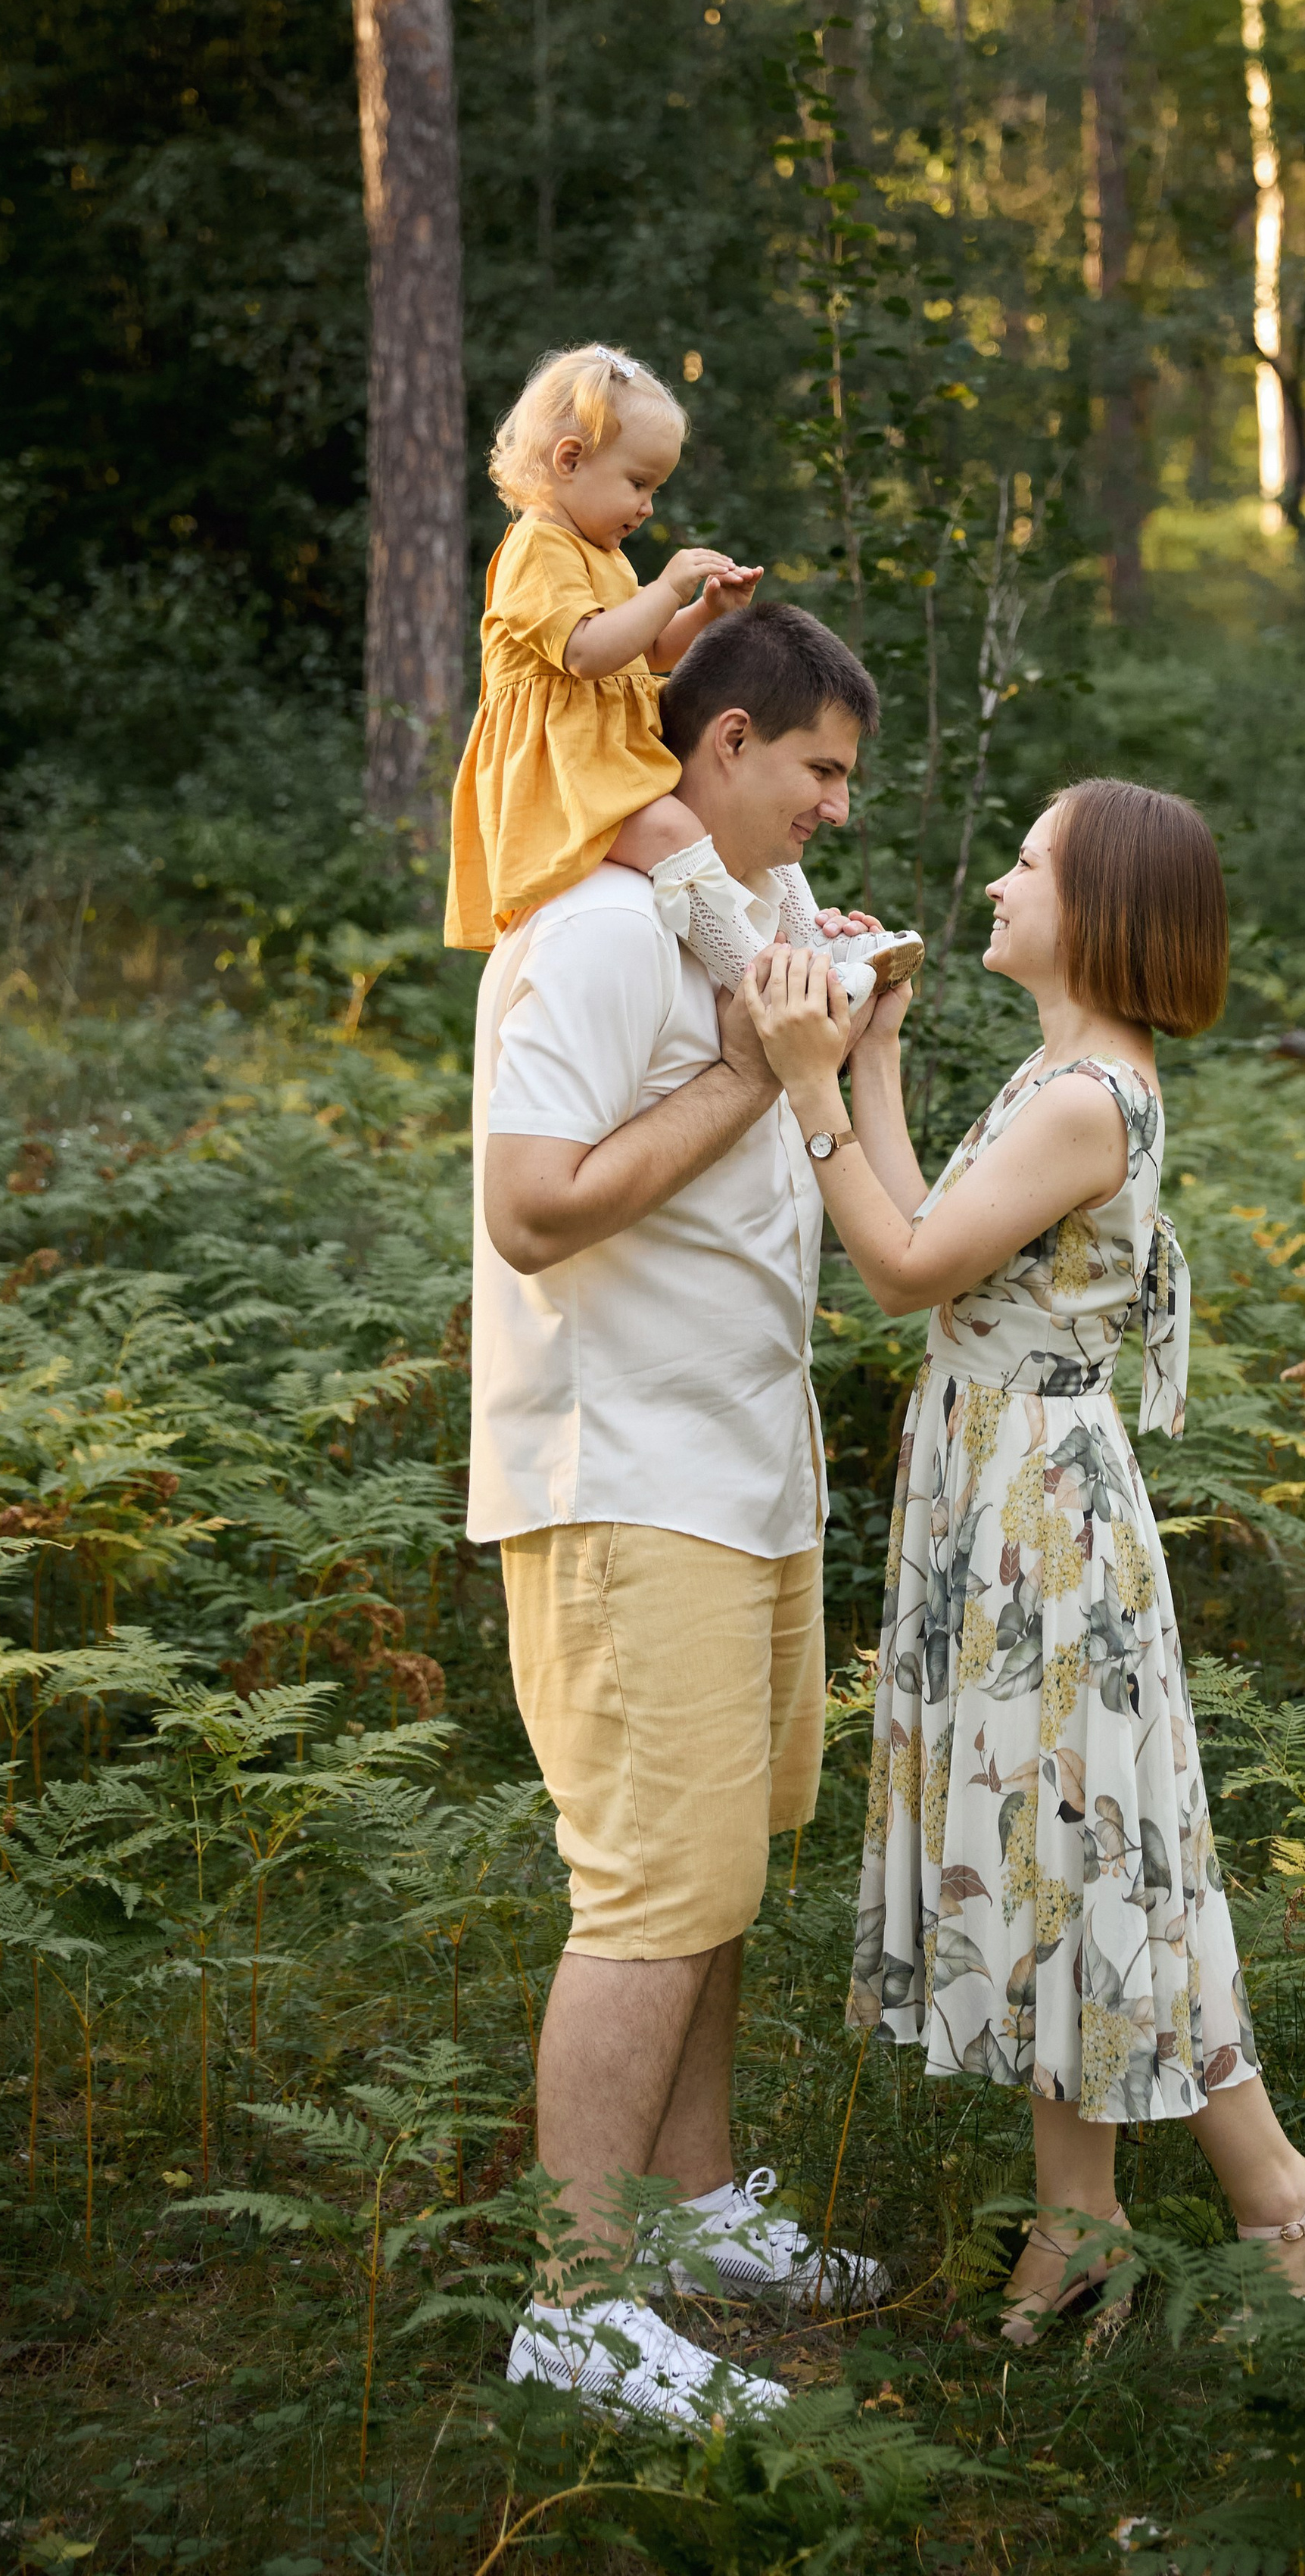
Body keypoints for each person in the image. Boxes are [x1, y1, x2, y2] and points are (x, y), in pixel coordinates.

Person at [743, 778, 1305, 2344]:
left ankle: (1275, 2187)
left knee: (1092, 1853)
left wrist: (803, 1074)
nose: (1000, 885)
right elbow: (925, 1223)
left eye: (1026, 863)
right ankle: (1083, 2215)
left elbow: (893, 1271)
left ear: (1094, 913)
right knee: (1047, 1852)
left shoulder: (1089, 1096)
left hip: (1037, 1521)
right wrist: (871, 1053)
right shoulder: (1056, 1071)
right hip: (990, 1490)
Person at [471, 602, 892, 2428]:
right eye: (817, 771)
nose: (832, 810)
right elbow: (530, 1205)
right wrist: (744, 1072)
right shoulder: (587, 938)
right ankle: (572, 2299)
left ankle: (701, 2203)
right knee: (649, 1888)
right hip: (618, 1470)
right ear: (722, 749)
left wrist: (854, 1009)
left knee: (723, 1862)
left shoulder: (763, 926)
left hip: (749, 1465)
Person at [444, 341, 921, 1007]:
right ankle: (767, 981)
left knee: (757, 840)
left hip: (612, 758)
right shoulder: (536, 546)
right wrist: (668, 586)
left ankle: (813, 948)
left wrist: (705, 613)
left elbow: (643, 652)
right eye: (638, 484)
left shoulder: (602, 552)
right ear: (570, 459)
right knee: (676, 834)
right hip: (566, 777)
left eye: (655, 489)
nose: (647, 507)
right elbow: (586, 652)